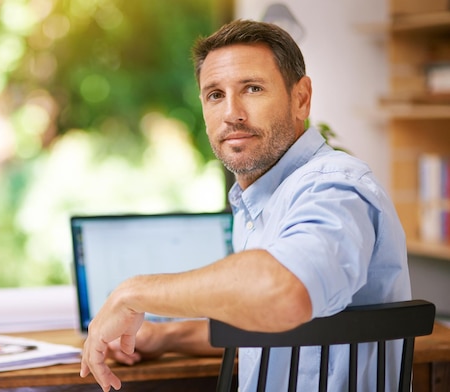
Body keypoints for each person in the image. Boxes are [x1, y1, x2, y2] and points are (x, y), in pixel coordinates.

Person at [79, 19, 411, 392]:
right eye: (215, 95)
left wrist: (134, 293)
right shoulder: (260, 200)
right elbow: (266, 320)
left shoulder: (335, 188)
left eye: (252, 88)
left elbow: (283, 292)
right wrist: (166, 337)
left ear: (301, 98)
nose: (231, 113)